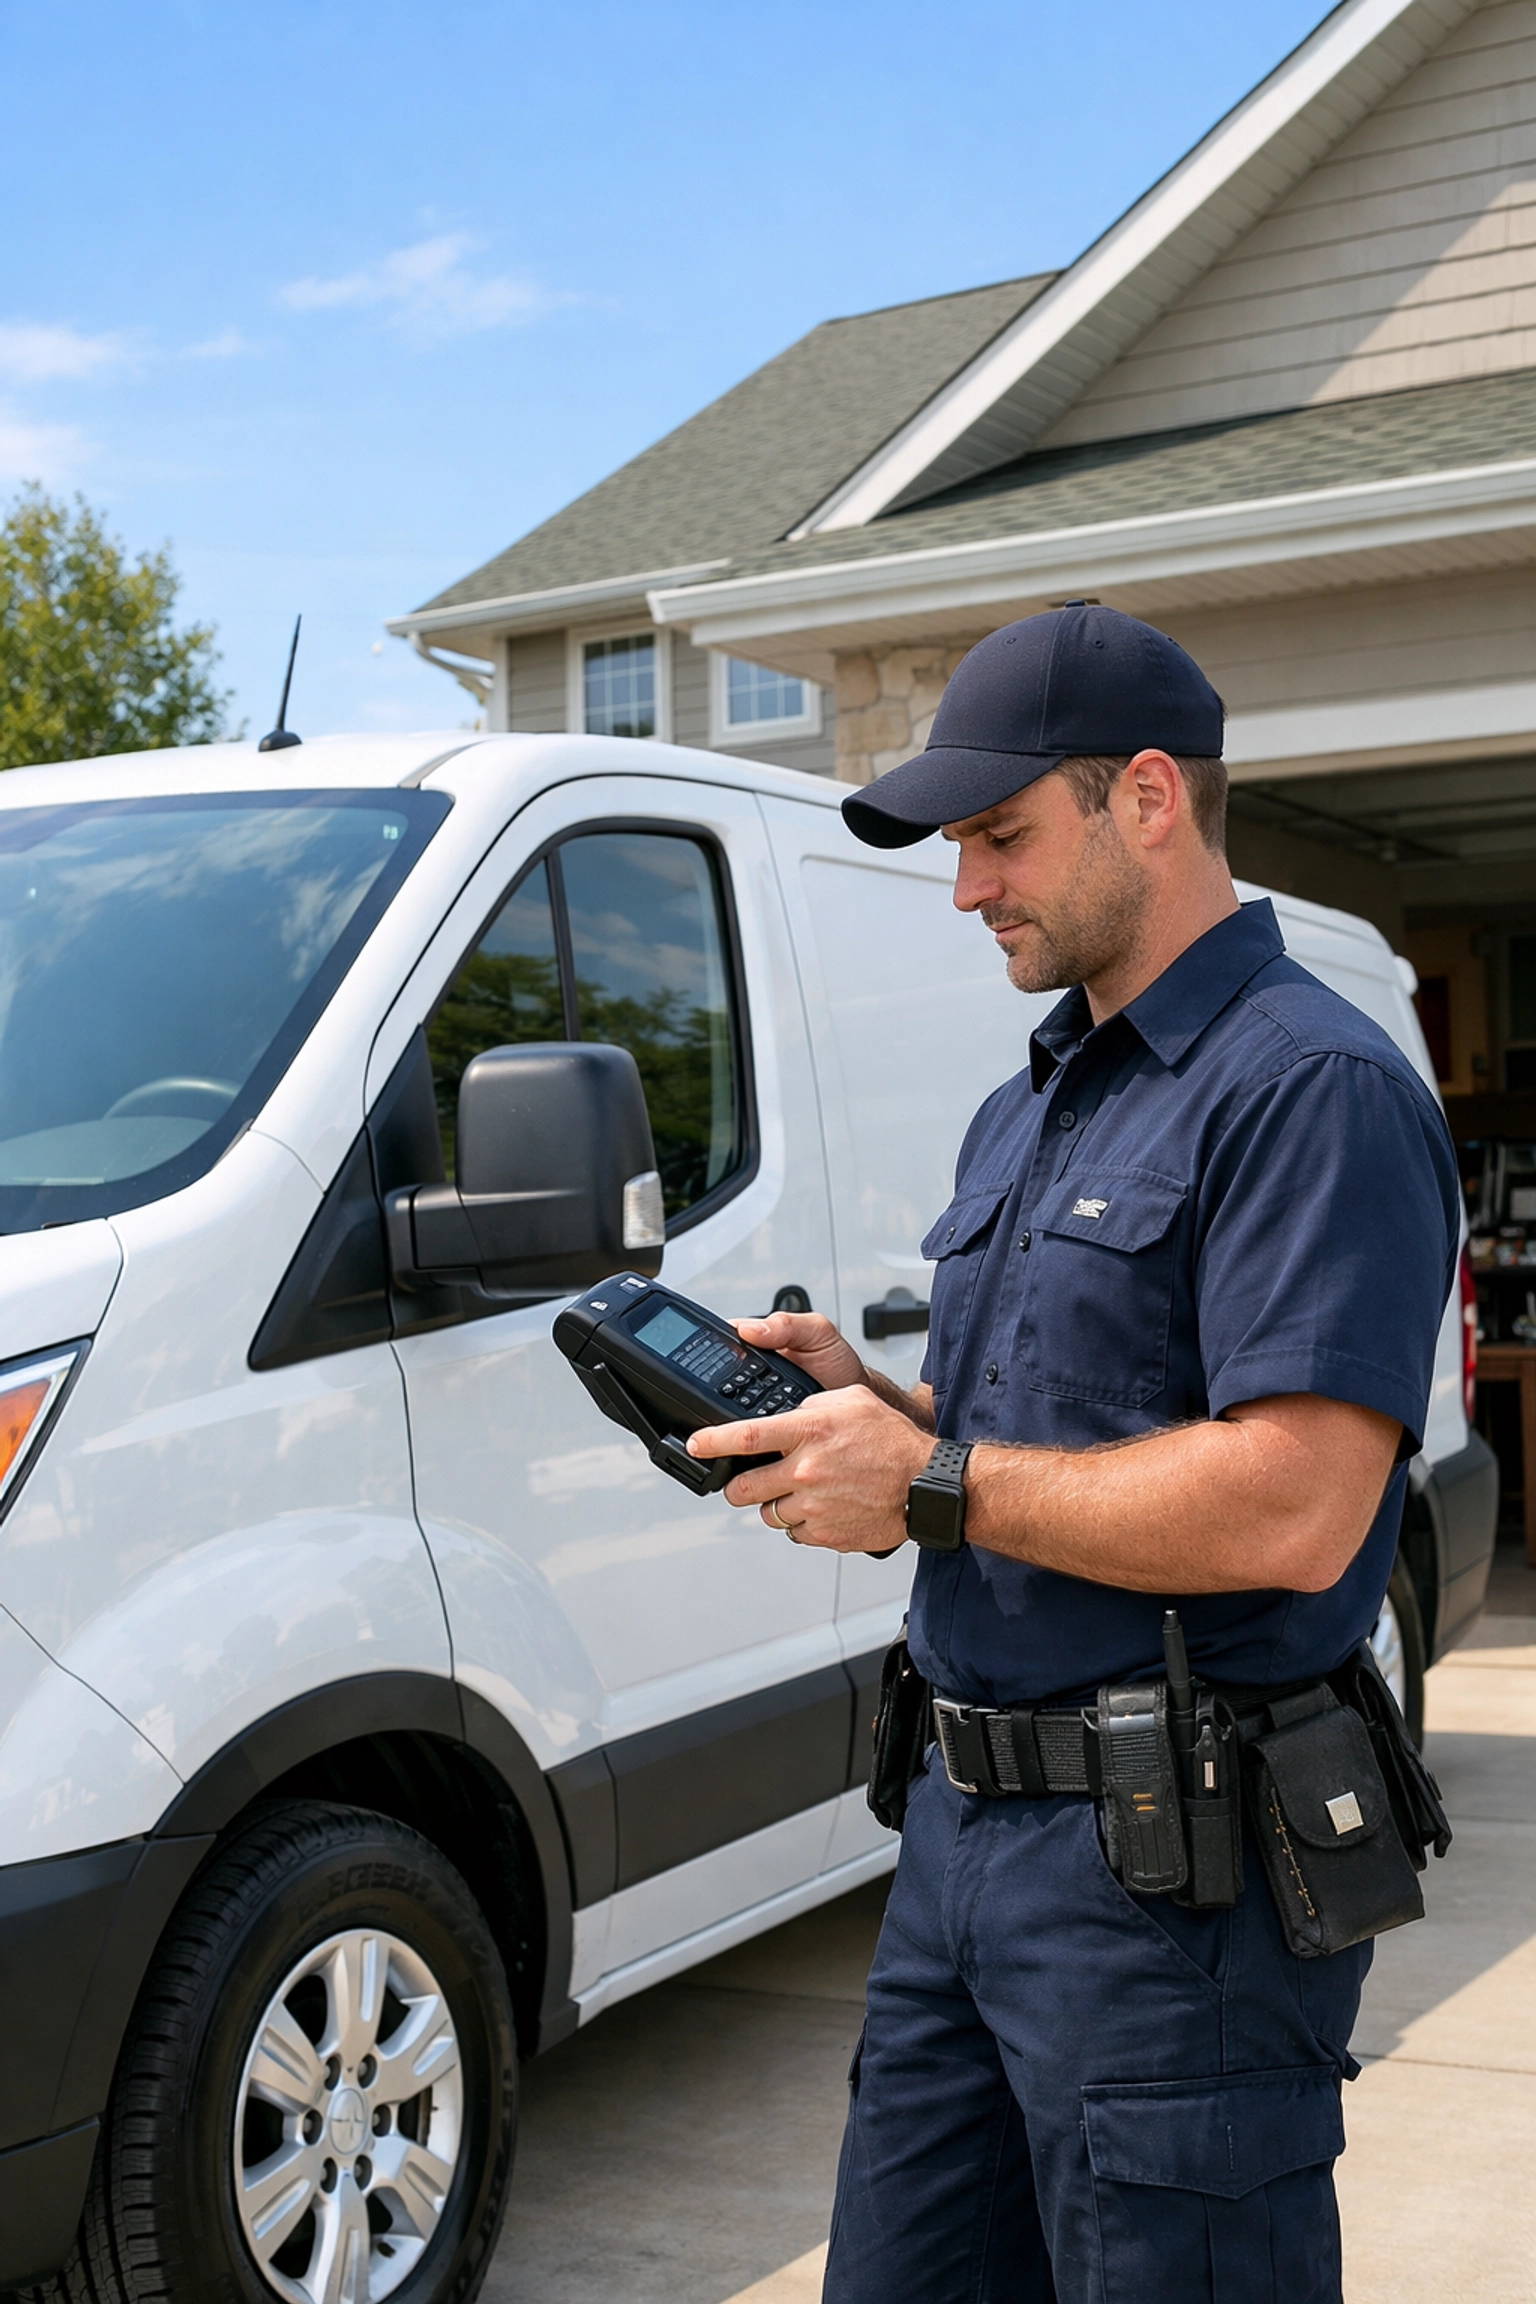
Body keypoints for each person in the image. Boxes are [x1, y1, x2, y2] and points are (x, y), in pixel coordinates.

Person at [687, 603, 1460, 2304]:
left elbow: (1301, 1500)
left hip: (1171, 1895)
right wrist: (883, 1426)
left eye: (1003, 837)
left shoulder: (1309, 1089)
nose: (970, 889)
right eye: (964, 846)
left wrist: (939, 1485)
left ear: (1153, 800)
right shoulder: (1034, 1101)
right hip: (962, 1854)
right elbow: (1044, 1451)